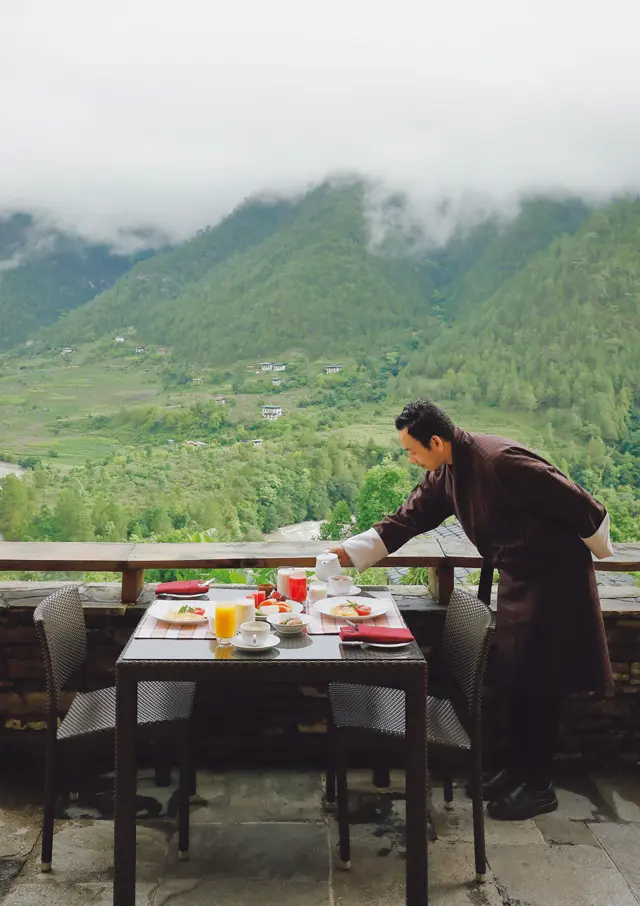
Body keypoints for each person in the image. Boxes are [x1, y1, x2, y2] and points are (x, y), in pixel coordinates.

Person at [330, 400, 613, 821]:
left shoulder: (500, 460)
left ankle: (538, 787)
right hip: (518, 579)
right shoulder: (447, 471)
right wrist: (347, 552)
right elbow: (409, 517)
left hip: (556, 579)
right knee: (515, 677)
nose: (410, 459)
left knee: (541, 681)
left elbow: (576, 500)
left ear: (436, 441)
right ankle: (515, 771)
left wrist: (601, 547)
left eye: (412, 451)